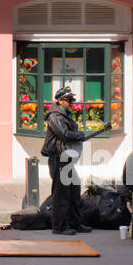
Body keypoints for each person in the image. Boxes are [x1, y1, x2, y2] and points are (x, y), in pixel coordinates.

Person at [44, 87, 91, 234]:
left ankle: (74, 223)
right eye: (69, 100)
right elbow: (63, 134)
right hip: (58, 159)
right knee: (61, 195)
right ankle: (59, 227)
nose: (72, 103)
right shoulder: (54, 116)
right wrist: (79, 135)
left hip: (66, 159)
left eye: (73, 100)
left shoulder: (64, 115)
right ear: (59, 101)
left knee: (74, 190)